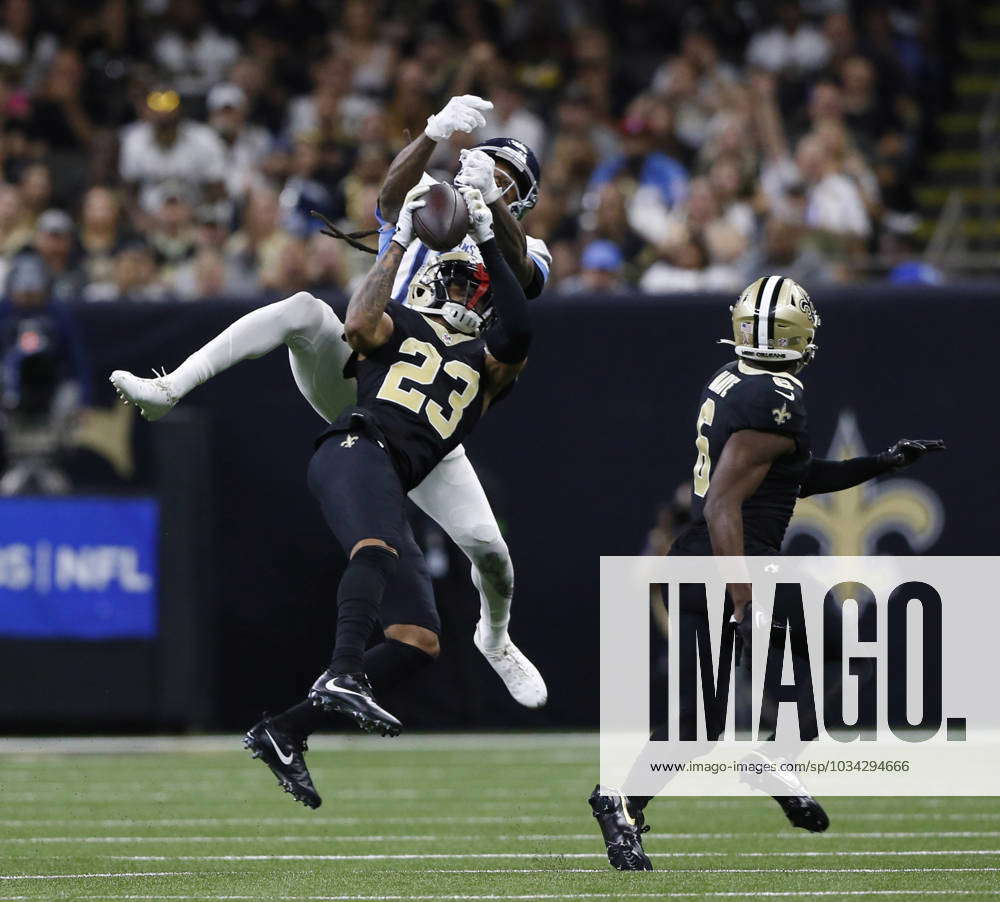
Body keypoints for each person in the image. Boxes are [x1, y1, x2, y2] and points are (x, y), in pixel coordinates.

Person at [109, 94, 550, 715]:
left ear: (524, 198)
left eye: (508, 178)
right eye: (486, 164)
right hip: (364, 366)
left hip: (426, 415)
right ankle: (170, 387)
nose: (489, 176)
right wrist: (431, 134)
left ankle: (495, 637)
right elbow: (391, 196)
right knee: (302, 310)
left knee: (491, 553)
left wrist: (492, 206)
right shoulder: (435, 206)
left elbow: (524, 276)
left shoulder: (523, 246)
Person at [589, 275, 945, 870]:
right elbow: (721, 504)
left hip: (734, 564)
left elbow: (795, 477)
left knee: (839, 646)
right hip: (725, 567)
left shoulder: (735, 382)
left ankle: (761, 758)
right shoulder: (776, 396)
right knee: (702, 717)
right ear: (798, 334)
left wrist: (883, 461)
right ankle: (621, 801)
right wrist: (744, 598)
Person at [243, 183, 532, 806]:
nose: (461, 293)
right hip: (354, 448)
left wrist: (486, 233)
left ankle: (285, 730)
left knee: (417, 641)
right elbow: (356, 322)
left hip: (393, 477)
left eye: (472, 288)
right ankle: (343, 670)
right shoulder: (402, 325)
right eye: (452, 283)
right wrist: (399, 239)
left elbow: (520, 327)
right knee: (375, 551)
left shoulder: (494, 363)